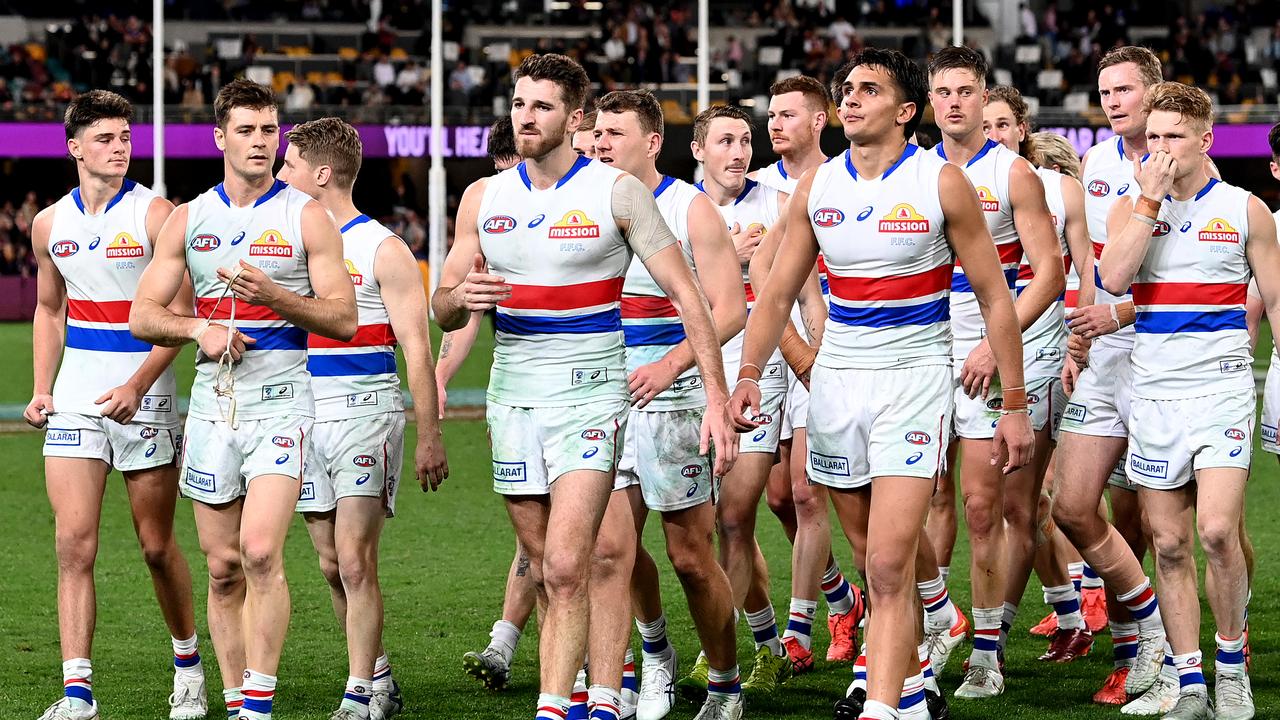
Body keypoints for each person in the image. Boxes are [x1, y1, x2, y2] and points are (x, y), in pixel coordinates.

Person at [430, 53, 738, 720]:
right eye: (518, 104)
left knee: (578, 561)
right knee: (546, 567)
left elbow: (692, 296)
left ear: (575, 119)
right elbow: (444, 307)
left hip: (595, 396)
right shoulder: (484, 198)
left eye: (540, 107)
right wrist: (461, 296)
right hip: (512, 397)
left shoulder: (617, 192)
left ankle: (569, 704)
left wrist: (714, 396)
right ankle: (595, 695)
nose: (524, 117)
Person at [729, 47, 1034, 720]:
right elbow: (775, 291)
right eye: (846, 89)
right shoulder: (819, 187)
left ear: (903, 111)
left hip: (914, 382)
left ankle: (883, 705)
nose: (852, 98)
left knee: (891, 567)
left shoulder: (941, 182)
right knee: (871, 554)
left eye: (869, 89)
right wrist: (751, 373)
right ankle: (919, 679)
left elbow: (995, 297)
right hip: (838, 383)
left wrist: (1014, 404)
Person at [130, 78, 358, 720]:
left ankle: (257, 705)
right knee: (224, 566)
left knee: (261, 551)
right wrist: (197, 327)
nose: (261, 142)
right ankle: (233, 700)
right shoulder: (190, 216)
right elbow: (143, 315)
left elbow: (342, 319)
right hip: (211, 406)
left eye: (269, 130)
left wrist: (271, 294)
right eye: (248, 130)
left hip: (284, 399)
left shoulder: (305, 214)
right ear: (220, 137)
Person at [26, 89, 207, 720]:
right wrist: (43, 387)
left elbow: (184, 315)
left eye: (125, 137)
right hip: (77, 397)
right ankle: (78, 692)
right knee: (73, 545)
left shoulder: (158, 215)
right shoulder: (48, 224)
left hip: (145, 395)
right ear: (74, 147)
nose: (120, 147)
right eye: (105, 138)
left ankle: (188, 664)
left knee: (156, 544)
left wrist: (137, 385)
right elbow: (50, 310)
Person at [1098, 80, 1275, 720]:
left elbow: (1276, 300)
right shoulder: (1131, 208)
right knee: (1168, 544)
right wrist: (1146, 202)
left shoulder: (1244, 207)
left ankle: (1233, 674)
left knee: (1219, 531)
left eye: (1175, 136)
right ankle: (1190, 684)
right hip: (1153, 394)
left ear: (1207, 140)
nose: (1162, 149)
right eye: (1154, 137)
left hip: (1222, 388)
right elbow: (1113, 279)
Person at [277, 117, 449, 720]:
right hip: (301, 412)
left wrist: (430, 434)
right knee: (329, 564)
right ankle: (378, 677)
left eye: (289, 164)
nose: (280, 174)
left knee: (355, 558)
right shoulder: (290, 241)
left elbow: (419, 349)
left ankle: (357, 697)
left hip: (366, 412)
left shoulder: (382, 248)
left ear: (321, 174)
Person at [588, 88, 744, 720]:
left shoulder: (690, 208)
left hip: (673, 397)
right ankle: (654, 654)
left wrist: (673, 364)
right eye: (595, 134)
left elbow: (729, 309)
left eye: (613, 135)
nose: (599, 144)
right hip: (600, 395)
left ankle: (726, 682)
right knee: (610, 550)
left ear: (652, 142)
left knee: (689, 555)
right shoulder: (583, 202)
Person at [926, 46, 1065, 699]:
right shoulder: (913, 173)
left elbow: (1051, 274)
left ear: (985, 98)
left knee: (986, 508)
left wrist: (992, 339)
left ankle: (987, 650)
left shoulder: (1013, 175)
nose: (954, 101)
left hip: (986, 359)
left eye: (965, 90)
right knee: (925, 499)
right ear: (929, 101)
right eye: (943, 91)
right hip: (921, 358)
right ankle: (927, 625)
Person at [1049, 46, 1171, 713]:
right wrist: (1079, 333)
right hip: (1103, 357)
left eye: (1126, 89)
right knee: (1071, 506)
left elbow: (1180, 276)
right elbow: (1092, 264)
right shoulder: (1095, 163)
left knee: (1168, 522)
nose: (1114, 101)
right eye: (1106, 92)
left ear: (1154, 92)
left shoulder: (1176, 164)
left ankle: (1159, 652)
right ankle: (1147, 632)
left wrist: (1113, 312)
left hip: (1164, 358)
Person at [751, 74, 866, 669]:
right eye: (771, 114)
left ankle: (801, 628)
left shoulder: (847, 176)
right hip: (770, 348)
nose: (774, 124)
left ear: (820, 120)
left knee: (805, 490)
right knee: (775, 498)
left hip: (829, 348)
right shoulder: (751, 186)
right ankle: (844, 598)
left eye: (788, 115)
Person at [980, 86, 1098, 664]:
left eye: (1003, 124)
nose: (995, 133)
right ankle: (1070, 612)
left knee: (1020, 503)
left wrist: (1080, 341)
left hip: (1042, 350)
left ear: (1021, 128)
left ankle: (992, 639)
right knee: (986, 503)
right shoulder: (948, 180)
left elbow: (1081, 270)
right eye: (987, 124)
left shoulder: (1055, 187)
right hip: (968, 350)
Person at [682, 103, 795, 694]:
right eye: (725, 140)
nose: (739, 151)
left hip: (758, 370)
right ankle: (769, 641)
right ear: (698, 149)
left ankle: (716, 648)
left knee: (734, 515)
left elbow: (798, 289)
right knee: (704, 527)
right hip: (696, 373)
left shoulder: (775, 206)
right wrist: (727, 260)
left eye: (745, 141)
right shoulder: (678, 209)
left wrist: (763, 266)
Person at [450, 115, 541, 692]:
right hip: (518, 387)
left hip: (606, 384)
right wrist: (437, 375)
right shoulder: (486, 206)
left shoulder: (597, 200)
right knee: (535, 535)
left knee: (603, 542)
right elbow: (464, 307)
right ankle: (506, 645)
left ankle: (635, 658)